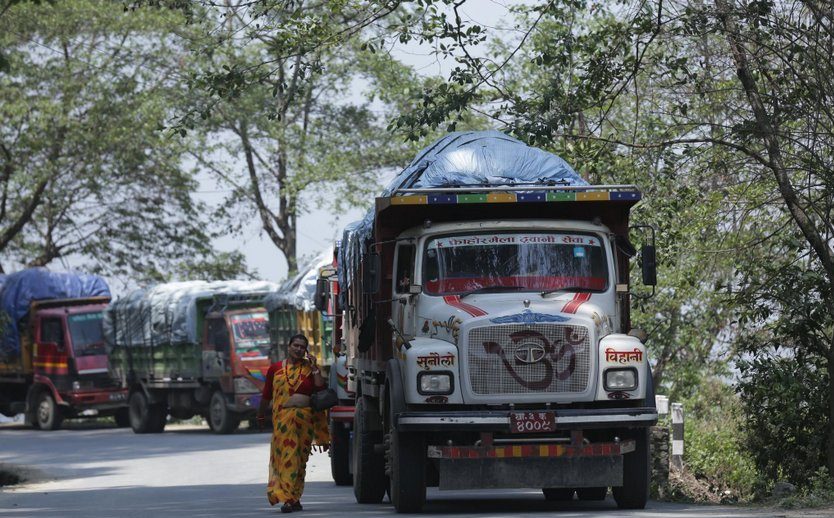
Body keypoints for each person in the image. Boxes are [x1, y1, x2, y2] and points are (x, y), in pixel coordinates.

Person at [257, 334, 330, 513]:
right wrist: (260, 416)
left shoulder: (309, 370)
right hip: (283, 421)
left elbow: (321, 390)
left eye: (302, 347)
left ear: (306, 351)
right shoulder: (275, 369)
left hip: (305, 422)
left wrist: (314, 368)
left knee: (300, 461)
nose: (298, 349)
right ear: (288, 347)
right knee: (287, 458)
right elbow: (266, 395)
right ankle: (288, 499)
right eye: (295, 345)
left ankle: (295, 497)